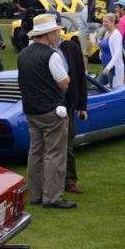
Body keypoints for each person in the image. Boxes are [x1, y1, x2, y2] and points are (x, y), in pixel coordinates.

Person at [16, 14, 74, 209]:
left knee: (36, 152)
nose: (57, 34)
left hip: (31, 110)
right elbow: (63, 82)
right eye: (56, 31)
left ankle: (35, 194)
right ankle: (52, 197)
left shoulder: (23, 54)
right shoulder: (52, 55)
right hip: (51, 110)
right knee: (55, 154)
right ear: (48, 34)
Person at [53, 13, 88, 196]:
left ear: (60, 27)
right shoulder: (39, 48)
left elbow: (80, 77)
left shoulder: (71, 47)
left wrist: (82, 105)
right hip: (49, 103)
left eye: (57, 25)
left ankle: (69, 181)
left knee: (67, 143)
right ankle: (51, 181)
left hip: (67, 102)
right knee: (48, 145)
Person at [97, 12, 124, 88]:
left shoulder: (116, 34)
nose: (104, 23)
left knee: (114, 90)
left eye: (106, 22)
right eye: (103, 21)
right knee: (99, 87)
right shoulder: (107, 33)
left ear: (112, 22)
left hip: (112, 69)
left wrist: (109, 67)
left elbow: (117, 52)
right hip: (105, 67)